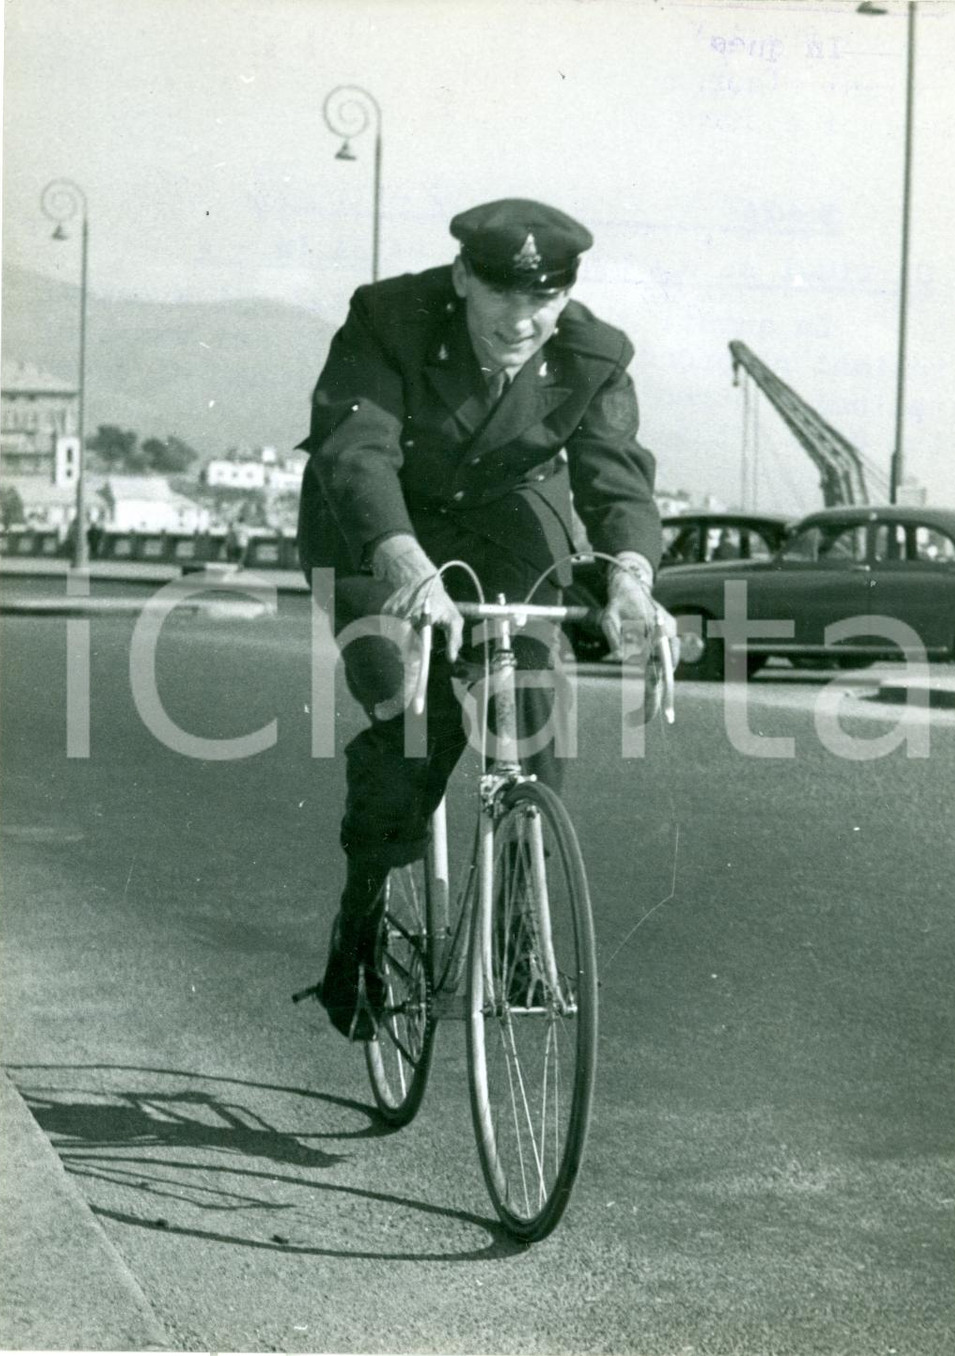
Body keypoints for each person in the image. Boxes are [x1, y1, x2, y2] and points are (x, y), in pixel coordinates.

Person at [297, 197, 677, 1038]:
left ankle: (519, 931)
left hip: (504, 518)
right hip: (374, 524)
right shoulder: (389, 318)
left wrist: (632, 579)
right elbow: (356, 453)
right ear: (464, 276)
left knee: (533, 692)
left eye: (543, 299)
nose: (522, 318)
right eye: (503, 294)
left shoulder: (594, 353)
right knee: (411, 705)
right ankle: (359, 915)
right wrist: (405, 563)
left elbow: (618, 481)